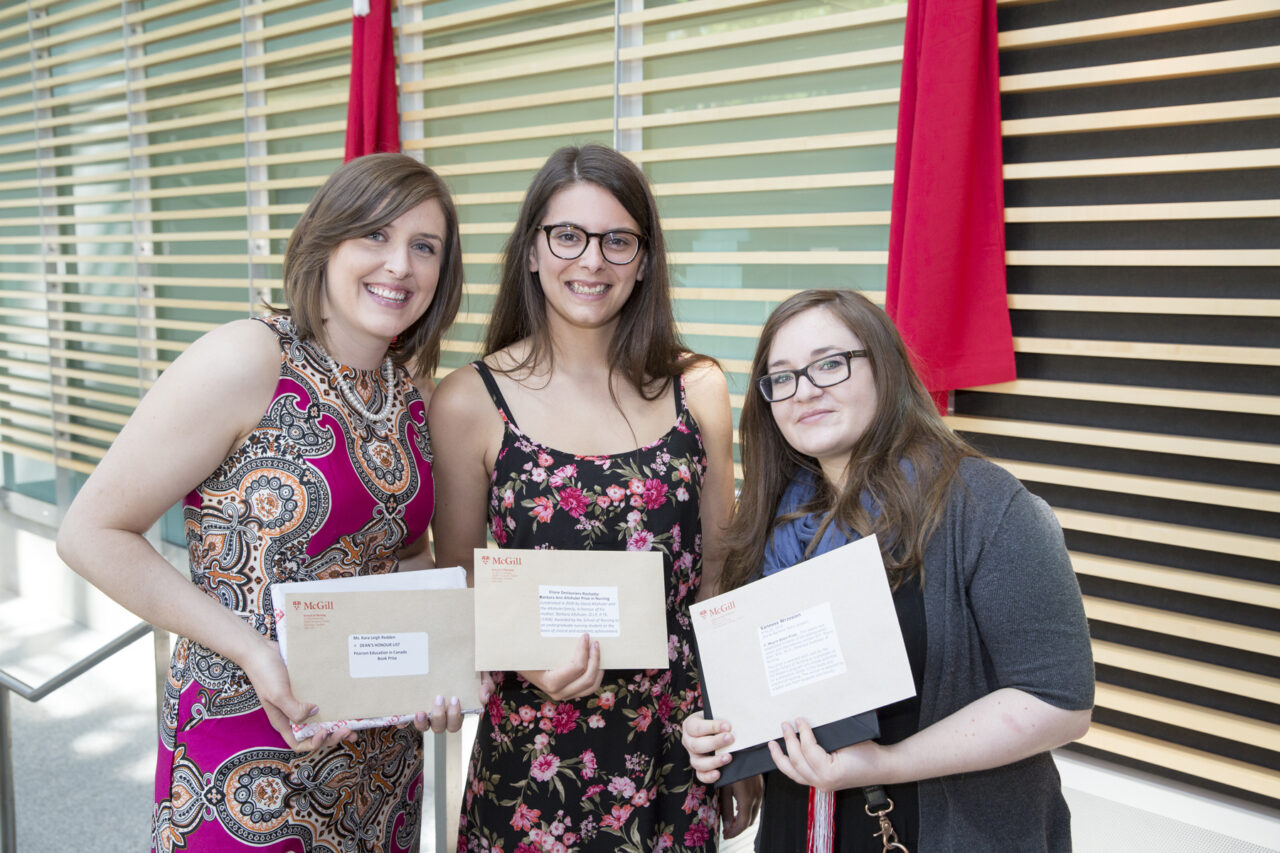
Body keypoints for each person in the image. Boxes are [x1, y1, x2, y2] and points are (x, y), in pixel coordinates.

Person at [57, 153, 467, 853]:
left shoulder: (412, 394)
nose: (399, 264)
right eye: (375, 234)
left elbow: (404, 556)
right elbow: (91, 531)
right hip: (246, 742)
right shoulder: (249, 357)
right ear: (325, 240)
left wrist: (434, 669)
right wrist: (253, 651)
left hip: (377, 761)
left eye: (423, 246)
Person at [430, 143, 760, 852]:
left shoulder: (696, 387)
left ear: (644, 259)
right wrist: (521, 660)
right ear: (531, 250)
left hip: (674, 744)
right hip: (533, 746)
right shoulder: (468, 400)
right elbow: (459, 585)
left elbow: (718, 578)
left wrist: (743, 734)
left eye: (617, 240)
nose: (591, 261)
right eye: (568, 236)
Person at [681, 289, 1094, 852]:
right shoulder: (767, 520)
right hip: (799, 825)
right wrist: (729, 738)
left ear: (886, 367)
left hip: (941, 830)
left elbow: (1058, 702)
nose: (805, 391)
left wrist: (887, 763)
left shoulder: (984, 507)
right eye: (783, 377)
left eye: (830, 364)